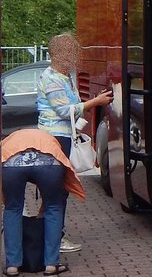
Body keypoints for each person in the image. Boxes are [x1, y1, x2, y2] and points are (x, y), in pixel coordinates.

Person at [36, 32, 112, 254]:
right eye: (70, 51)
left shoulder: (65, 77)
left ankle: (49, 234)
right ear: (59, 53)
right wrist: (94, 102)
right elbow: (62, 111)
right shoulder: (51, 78)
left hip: (64, 137)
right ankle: (54, 238)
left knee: (59, 189)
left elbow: (73, 109)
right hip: (54, 138)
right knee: (58, 189)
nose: (74, 56)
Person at [2, 127, 86, 276]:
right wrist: (43, 209)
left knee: (12, 208)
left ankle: (12, 266)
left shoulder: (8, 141)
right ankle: (51, 264)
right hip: (49, 161)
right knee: (53, 207)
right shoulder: (50, 139)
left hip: (12, 162)